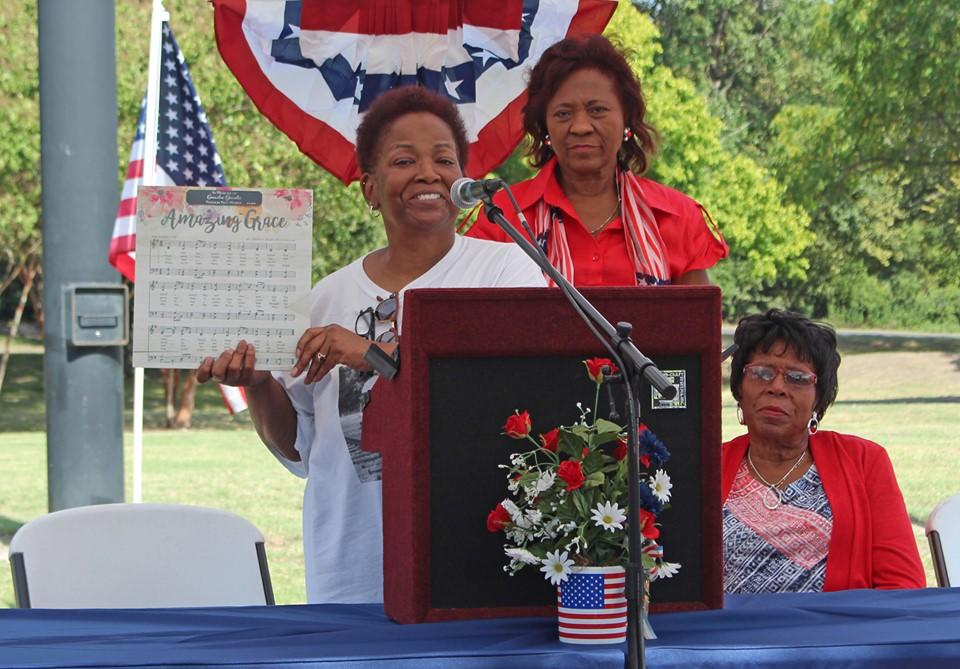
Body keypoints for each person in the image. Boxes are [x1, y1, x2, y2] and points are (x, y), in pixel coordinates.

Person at [196, 86, 546, 604]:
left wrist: (371, 355)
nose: (428, 172)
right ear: (369, 188)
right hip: (351, 570)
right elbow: (298, 449)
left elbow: (497, 401)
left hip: (473, 563)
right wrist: (259, 383)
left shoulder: (505, 271)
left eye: (444, 159)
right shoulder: (324, 298)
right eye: (404, 160)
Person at [465, 34, 728, 287]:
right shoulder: (501, 217)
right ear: (544, 126)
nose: (581, 126)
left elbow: (696, 329)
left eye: (597, 110)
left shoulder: (678, 217)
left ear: (626, 118)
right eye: (563, 113)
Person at [723, 309, 925, 593]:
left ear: (819, 401)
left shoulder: (864, 461)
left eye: (797, 378)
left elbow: (902, 585)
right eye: (761, 373)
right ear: (739, 390)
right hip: (728, 634)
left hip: (839, 634)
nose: (777, 387)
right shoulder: (706, 464)